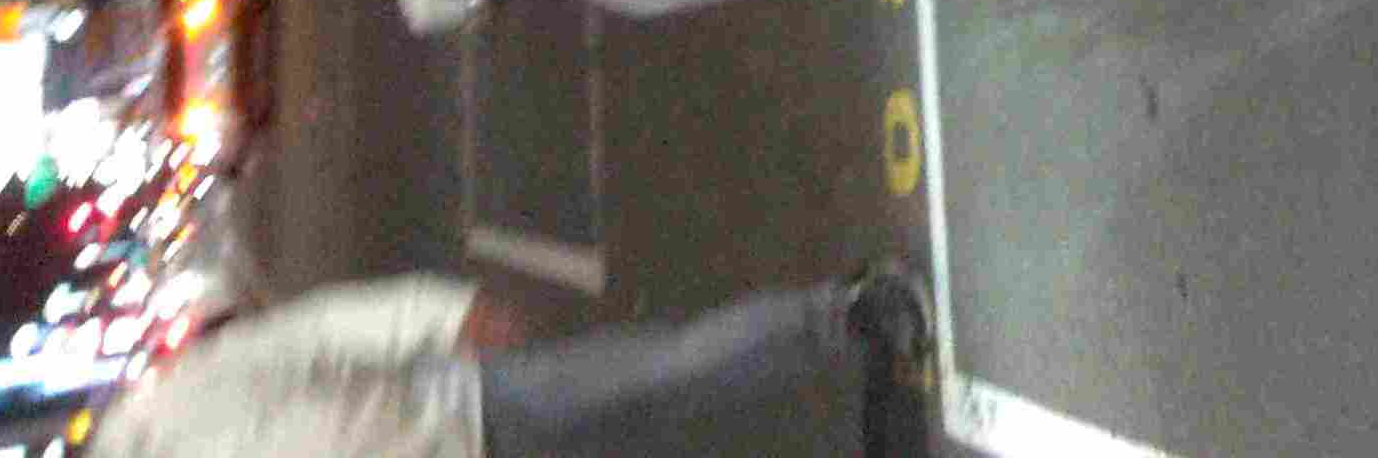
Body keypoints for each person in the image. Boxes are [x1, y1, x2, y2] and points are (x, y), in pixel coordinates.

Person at [91, 265, 939, 458]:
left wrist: (443, 315)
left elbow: (320, 334)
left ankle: (848, 312)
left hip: (480, 407)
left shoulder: (175, 402)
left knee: (668, 370)